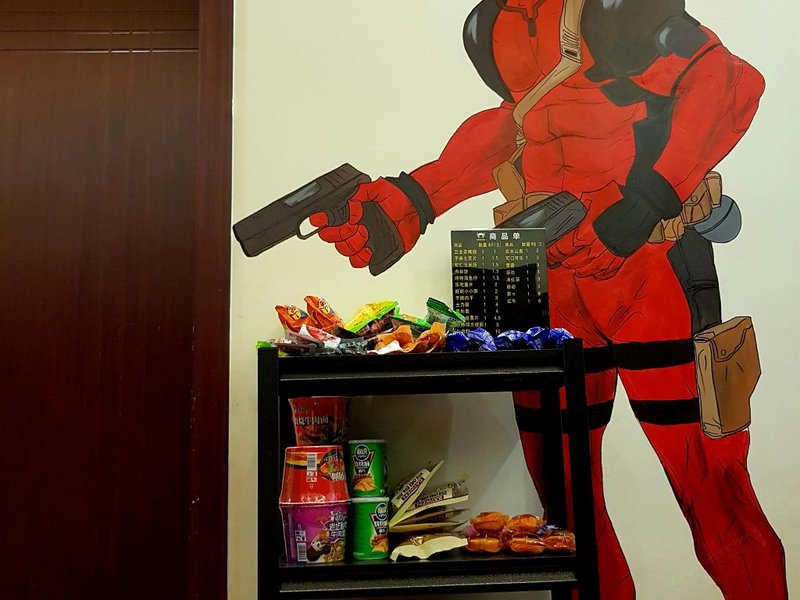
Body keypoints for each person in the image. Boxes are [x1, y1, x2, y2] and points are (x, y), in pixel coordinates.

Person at [309, 1, 787, 597]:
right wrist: (415, 198)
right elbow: (520, 123)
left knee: (715, 496)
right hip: (545, 280)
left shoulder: (619, 6)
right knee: (567, 515)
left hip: (651, 273)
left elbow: (733, 81)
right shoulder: (492, 24)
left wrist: (647, 201)